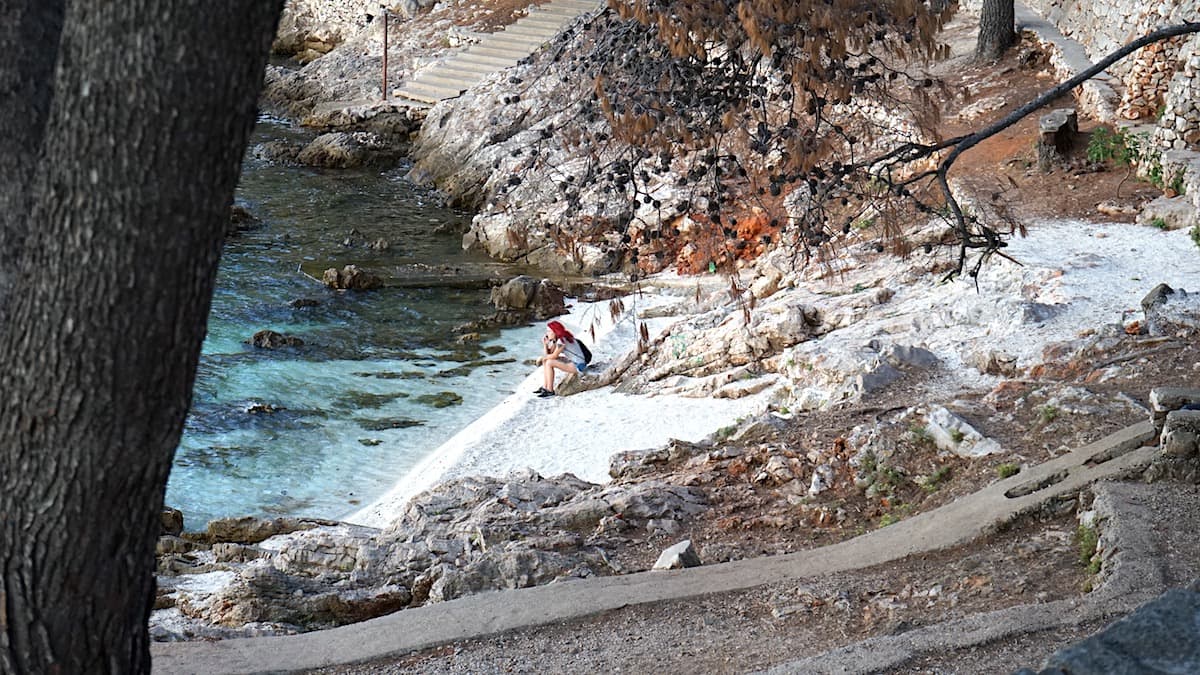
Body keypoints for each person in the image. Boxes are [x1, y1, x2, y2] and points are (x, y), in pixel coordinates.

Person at [534, 320, 587, 398]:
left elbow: (553, 356)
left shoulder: (562, 341)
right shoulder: (559, 339)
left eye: (549, 331)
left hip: (578, 365)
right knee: (546, 361)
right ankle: (545, 387)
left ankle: (550, 390)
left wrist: (542, 357)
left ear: (555, 332)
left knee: (549, 363)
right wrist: (545, 345)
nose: (547, 334)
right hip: (573, 362)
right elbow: (549, 354)